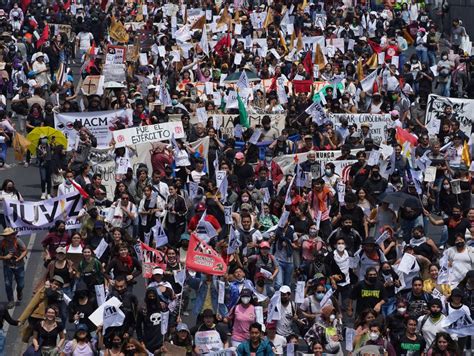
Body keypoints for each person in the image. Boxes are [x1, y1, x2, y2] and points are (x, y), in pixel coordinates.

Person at [0, 227, 27, 309]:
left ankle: (19, 291)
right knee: (8, 284)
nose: (9, 237)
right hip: (7, 266)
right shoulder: (2, 243)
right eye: (7, 235)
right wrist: (5, 257)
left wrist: (19, 258)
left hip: (19, 265)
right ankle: (11, 300)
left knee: (21, 284)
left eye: (10, 235)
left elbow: (25, 250)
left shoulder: (18, 241)